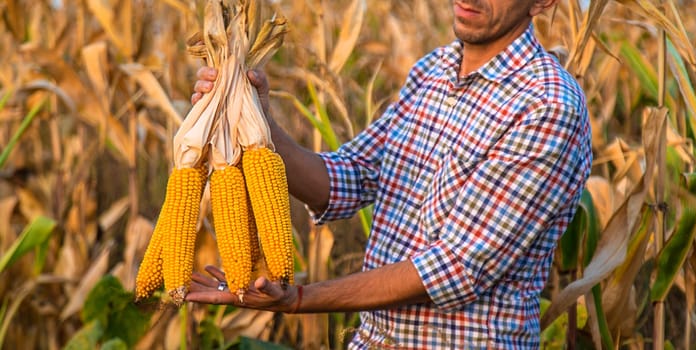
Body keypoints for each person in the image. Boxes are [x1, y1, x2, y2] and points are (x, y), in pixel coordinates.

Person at [186, 0, 592, 348]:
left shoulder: (547, 107)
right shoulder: (433, 71)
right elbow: (348, 177)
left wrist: (297, 299)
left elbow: (456, 266)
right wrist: (253, 120)